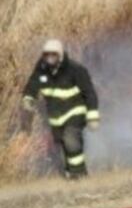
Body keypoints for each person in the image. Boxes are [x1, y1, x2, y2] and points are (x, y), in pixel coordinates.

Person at [21, 39, 100, 179]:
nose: (50, 58)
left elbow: (89, 93)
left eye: (53, 54)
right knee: (62, 143)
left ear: (60, 55)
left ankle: (78, 174)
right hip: (55, 116)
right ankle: (73, 170)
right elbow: (32, 85)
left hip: (75, 111)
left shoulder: (76, 70)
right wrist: (28, 99)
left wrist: (93, 116)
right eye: (47, 54)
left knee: (71, 139)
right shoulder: (41, 70)